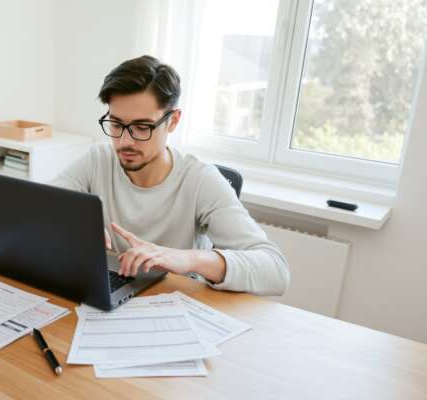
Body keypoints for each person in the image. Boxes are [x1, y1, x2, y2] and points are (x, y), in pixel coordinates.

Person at [51, 55, 289, 295]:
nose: (125, 141)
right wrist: (72, 223)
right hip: (110, 297)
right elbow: (42, 208)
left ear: (173, 121)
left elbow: (276, 271)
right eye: (116, 124)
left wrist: (188, 259)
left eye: (142, 127)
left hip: (174, 304)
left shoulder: (200, 180)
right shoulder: (98, 160)